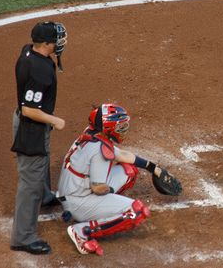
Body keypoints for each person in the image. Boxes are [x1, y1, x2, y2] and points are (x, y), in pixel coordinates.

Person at [57, 104, 175, 256]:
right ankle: (82, 231)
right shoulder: (100, 151)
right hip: (79, 200)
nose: (123, 130)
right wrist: (110, 193)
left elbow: (123, 155)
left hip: (72, 188)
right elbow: (98, 188)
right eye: (119, 127)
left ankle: (103, 210)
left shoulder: (92, 134)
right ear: (108, 128)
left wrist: (154, 168)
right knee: (136, 212)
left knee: (129, 171)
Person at [10, 21, 67, 255]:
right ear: (45, 44)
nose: (60, 42)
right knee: (30, 181)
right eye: (55, 39)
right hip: (31, 126)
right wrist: (55, 120)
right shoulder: (40, 71)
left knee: (41, 163)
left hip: (33, 123)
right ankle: (22, 237)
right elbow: (29, 110)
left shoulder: (28, 51)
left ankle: (44, 196)